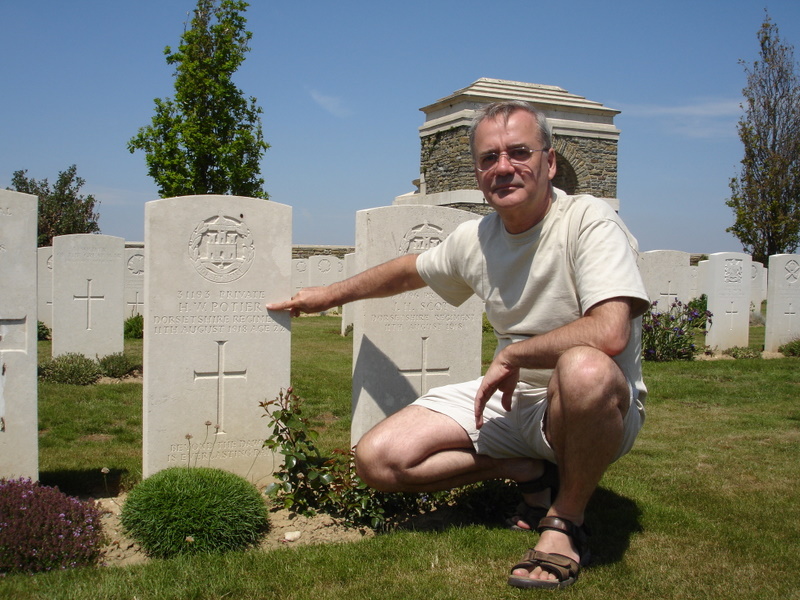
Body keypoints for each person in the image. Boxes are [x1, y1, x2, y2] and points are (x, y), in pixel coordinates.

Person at [267, 100, 649, 590]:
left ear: (549, 163)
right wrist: (326, 296)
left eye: (519, 153)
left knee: (584, 368)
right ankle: (524, 469)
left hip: (593, 406)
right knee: (377, 459)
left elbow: (609, 329)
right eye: (489, 158)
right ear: (478, 172)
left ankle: (565, 521)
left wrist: (513, 353)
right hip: (517, 403)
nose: (504, 168)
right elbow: (408, 270)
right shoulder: (478, 238)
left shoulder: (589, 220)